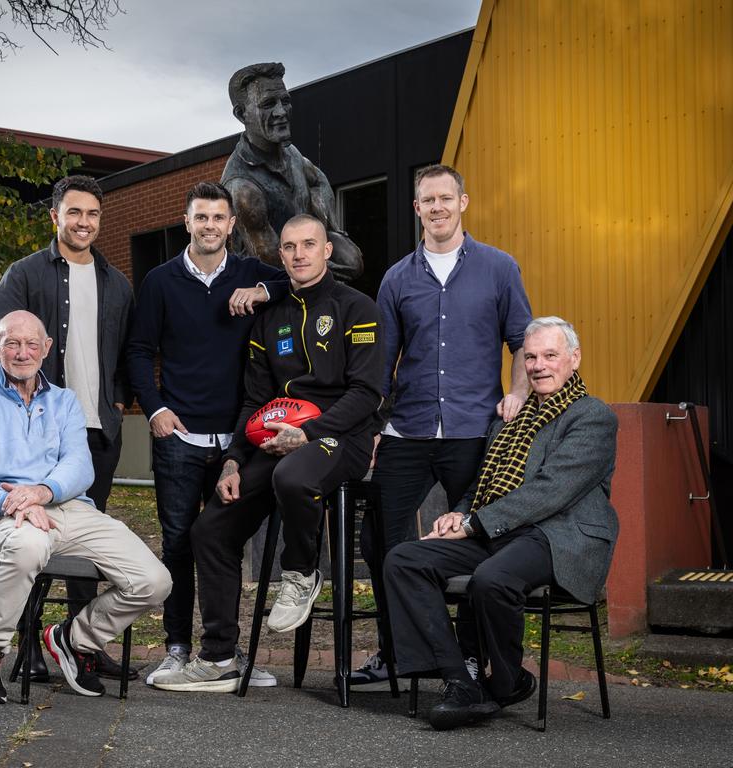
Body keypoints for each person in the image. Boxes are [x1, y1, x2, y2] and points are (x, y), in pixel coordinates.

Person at [152, 214, 383, 692]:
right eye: (290, 247)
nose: (299, 254)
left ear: (328, 251)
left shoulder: (358, 308)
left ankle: (300, 572)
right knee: (210, 528)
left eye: (309, 245)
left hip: (341, 437)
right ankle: (218, 658)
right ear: (280, 256)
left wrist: (312, 431)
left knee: (293, 477)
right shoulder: (267, 316)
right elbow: (254, 401)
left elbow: (366, 393)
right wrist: (234, 459)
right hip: (276, 442)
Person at [384, 317, 619, 730]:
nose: (539, 365)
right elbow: (483, 482)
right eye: (530, 357)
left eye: (550, 355)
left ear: (574, 359)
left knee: (491, 579)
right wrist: (460, 511)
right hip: (503, 530)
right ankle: (460, 680)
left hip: (562, 534)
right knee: (404, 560)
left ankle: (509, 682)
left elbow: (552, 490)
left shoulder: (592, 416)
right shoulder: (511, 418)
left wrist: (474, 524)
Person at [353, 163, 533, 690]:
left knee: (482, 541)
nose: (437, 208)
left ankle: (472, 659)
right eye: (427, 200)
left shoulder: (499, 268)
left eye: (445, 199)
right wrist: (372, 429)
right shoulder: (396, 279)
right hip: (407, 431)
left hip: (475, 431)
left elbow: (520, 338)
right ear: (417, 209)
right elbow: (381, 363)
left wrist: (519, 392)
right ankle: (397, 654)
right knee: (382, 544)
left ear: (463, 202)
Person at [0, 174, 135, 681]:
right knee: (31, 539)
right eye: (74, 212)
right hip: (39, 430)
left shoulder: (115, 283)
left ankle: (82, 646)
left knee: (85, 542)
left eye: (92, 214)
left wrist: (119, 400)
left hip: (96, 433)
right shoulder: (27, 273)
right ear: (55, 216)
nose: (84, 222)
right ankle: (30, 648)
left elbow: (127, 352)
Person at [0, 310, 171, 703]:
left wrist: (41, 492)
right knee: (28, 546)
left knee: (154, 581)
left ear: (46, 348)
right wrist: (11, 500)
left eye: (31, 343)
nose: (22, 353)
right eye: (12, 343)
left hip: (70, 509)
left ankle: (75, 639)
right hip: (8, 514)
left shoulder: (65, 402)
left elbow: (79, 467)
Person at [128, 181, 286, 687]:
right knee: (176, 544)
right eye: (201, 218)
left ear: (232, 225)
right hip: (178, 438)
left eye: (219, 218)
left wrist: (261, 290)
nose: (210, 226)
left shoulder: (249, 273)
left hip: (236, 443)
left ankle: (226, 650)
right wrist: (153, 409)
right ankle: (176, 649)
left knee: (223, 546)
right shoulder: (160, 281)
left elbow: (296, 280)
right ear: (187, 221)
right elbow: (137, 351)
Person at [221, 62, 363, 282]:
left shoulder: (291, 153)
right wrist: (322, 268)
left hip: (309, 256)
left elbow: (318, 180)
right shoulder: (241, 188)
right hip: (273, 284)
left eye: (284, 101)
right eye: (268, 104)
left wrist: (325, 225)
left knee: (353, 260)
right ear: (242, 114)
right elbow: (271, 259)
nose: (281, 112)